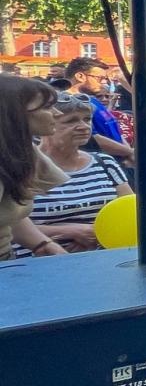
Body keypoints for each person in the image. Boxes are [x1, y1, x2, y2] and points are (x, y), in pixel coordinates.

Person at [26, 92, 134, 252]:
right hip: (37, 264)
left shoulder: (105, 163)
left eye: (87, 119)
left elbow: (131, 214)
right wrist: (71, 231)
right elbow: (9, 225)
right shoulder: (22, 167)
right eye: (71, 121)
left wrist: (97, 234)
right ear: (44, 124)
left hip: (101, 261)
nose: (84, 126)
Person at [0, 76, 68, 259]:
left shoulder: (20, 149)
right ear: (14, 113)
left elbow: (8, 213)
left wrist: (42, 244)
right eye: (46, 107)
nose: (57, 113)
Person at [65, 57, 134, 163]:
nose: (102, 83)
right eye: (99, 78)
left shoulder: (92, 100)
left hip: (119, 160)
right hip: (99, 162)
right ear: (80, 76)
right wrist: (129, 152)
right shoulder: (67, 102)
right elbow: (92, 138)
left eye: (104, 79)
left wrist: (127, 153)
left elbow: (114, 128)